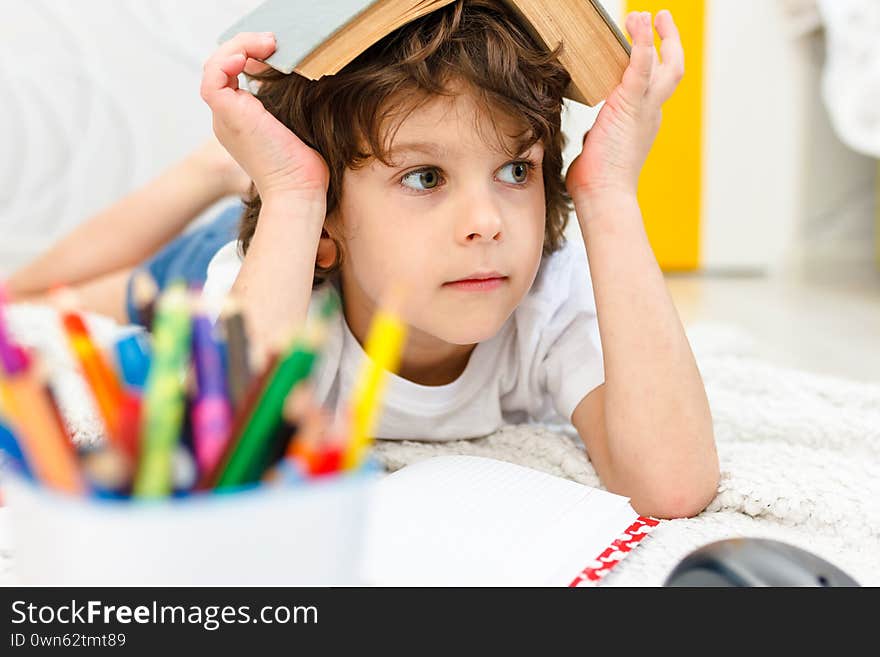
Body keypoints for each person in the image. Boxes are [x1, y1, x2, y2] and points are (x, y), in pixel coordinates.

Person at [7, 1, 719, 518]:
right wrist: (290, 192)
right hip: (250, 260)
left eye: (516, 170)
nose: (486, 224)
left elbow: (674, 484)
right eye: (426, 177)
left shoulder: (545, 300)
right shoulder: (280, 270)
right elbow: (224, 449)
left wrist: (609, 196)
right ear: (328, 220)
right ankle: (214, 171)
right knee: (33, 300)